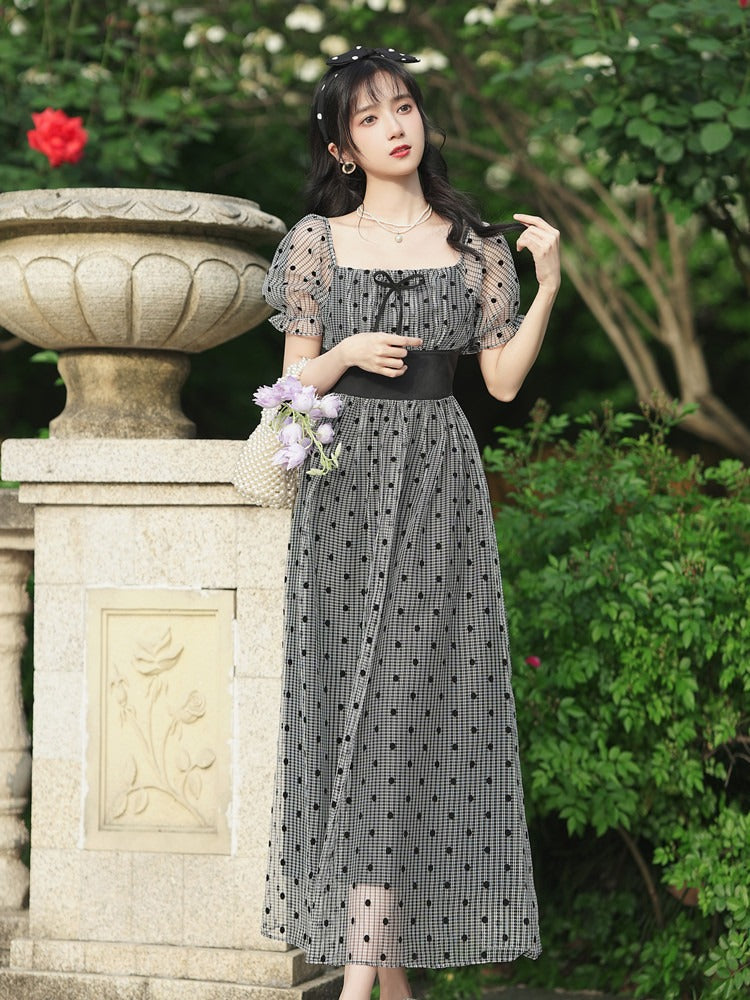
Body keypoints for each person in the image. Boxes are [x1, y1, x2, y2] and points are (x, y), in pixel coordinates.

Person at [260, 45, 560, 1000]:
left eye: (404, 106)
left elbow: (501, 383)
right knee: (347, 709)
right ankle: (386, 981)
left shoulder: (476, 247)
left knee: (404, 713)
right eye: (369, 116)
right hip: (343, 487)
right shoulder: (316, 241)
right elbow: (290, 386)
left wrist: (549, 283)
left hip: (438, 485)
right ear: (342, 148)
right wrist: (346, 348)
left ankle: (360, 979)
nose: (395, 126)